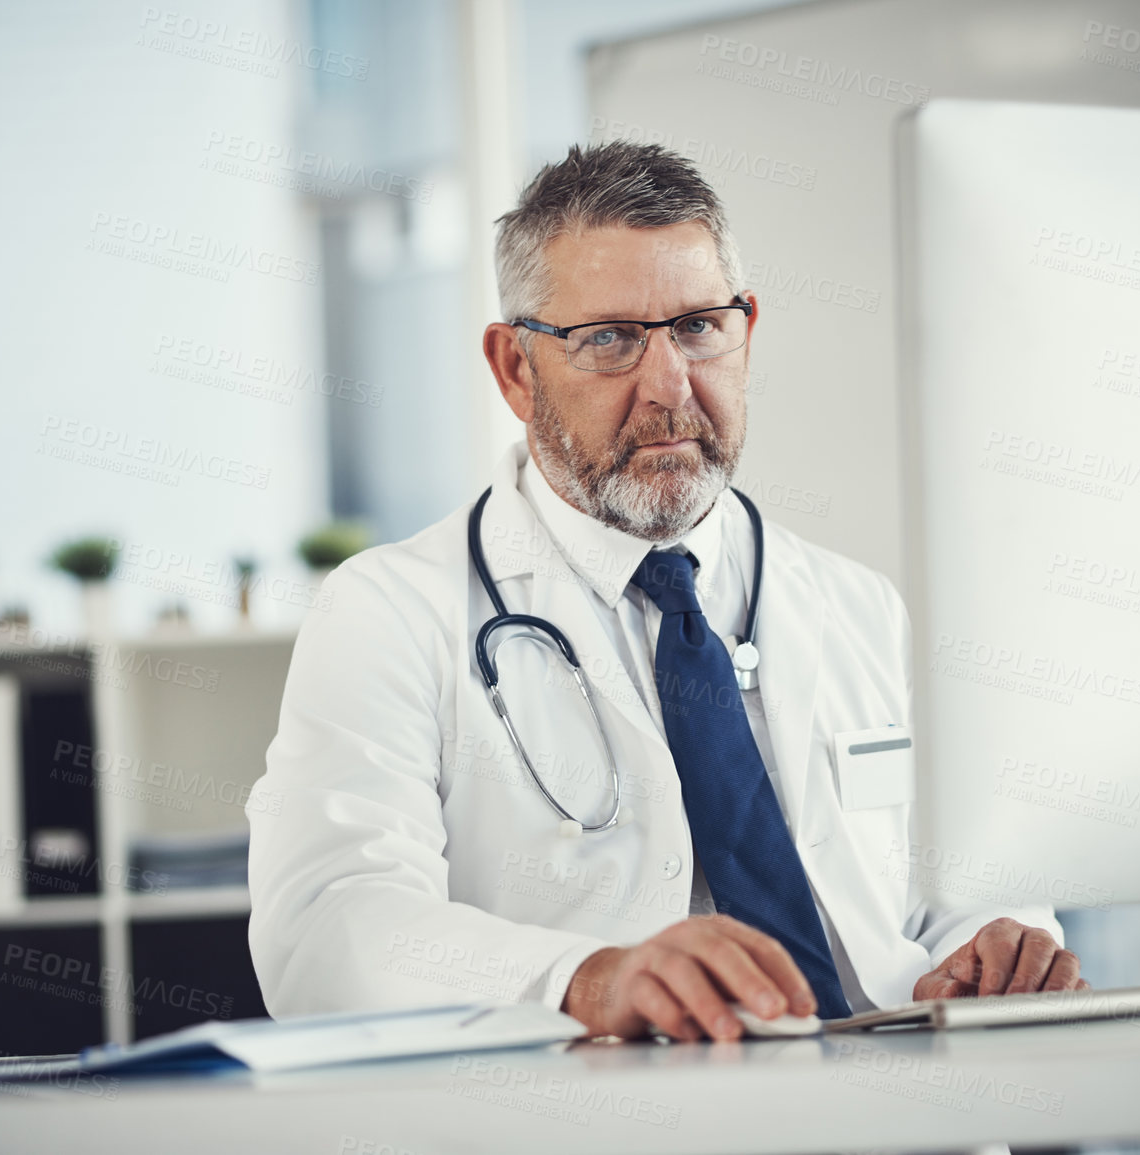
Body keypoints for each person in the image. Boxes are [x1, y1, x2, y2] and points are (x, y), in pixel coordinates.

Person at [247, 141, 1085, 1043]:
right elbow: (328, 929)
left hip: (898, 1109)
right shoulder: (390, 613)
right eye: (608, 339)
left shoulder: (858, 604)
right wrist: (584, 979)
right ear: (515, 370)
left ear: (745, 331)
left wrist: (1002, 942)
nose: (668, 386)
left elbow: (953, 898)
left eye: (696, 327)